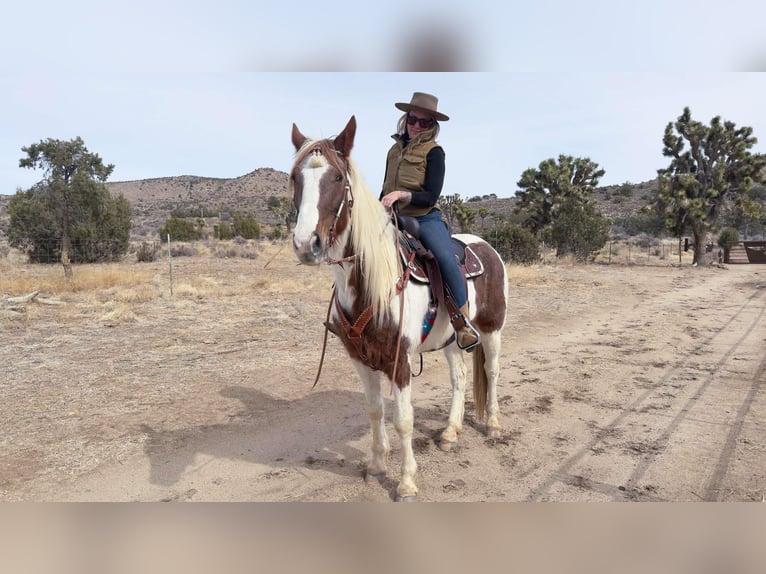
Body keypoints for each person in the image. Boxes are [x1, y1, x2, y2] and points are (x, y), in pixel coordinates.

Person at [380, 91, 479, 351]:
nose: (417, 126)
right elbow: (385, 187)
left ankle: (463, 323)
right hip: (392, 216)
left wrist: (402, 194)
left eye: (424, 123)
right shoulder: (393, 150)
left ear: (432, 126)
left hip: (424, 217)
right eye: (413, 119)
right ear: (406, 119)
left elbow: (432, 194)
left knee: (446, 258)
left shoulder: (435, 152)